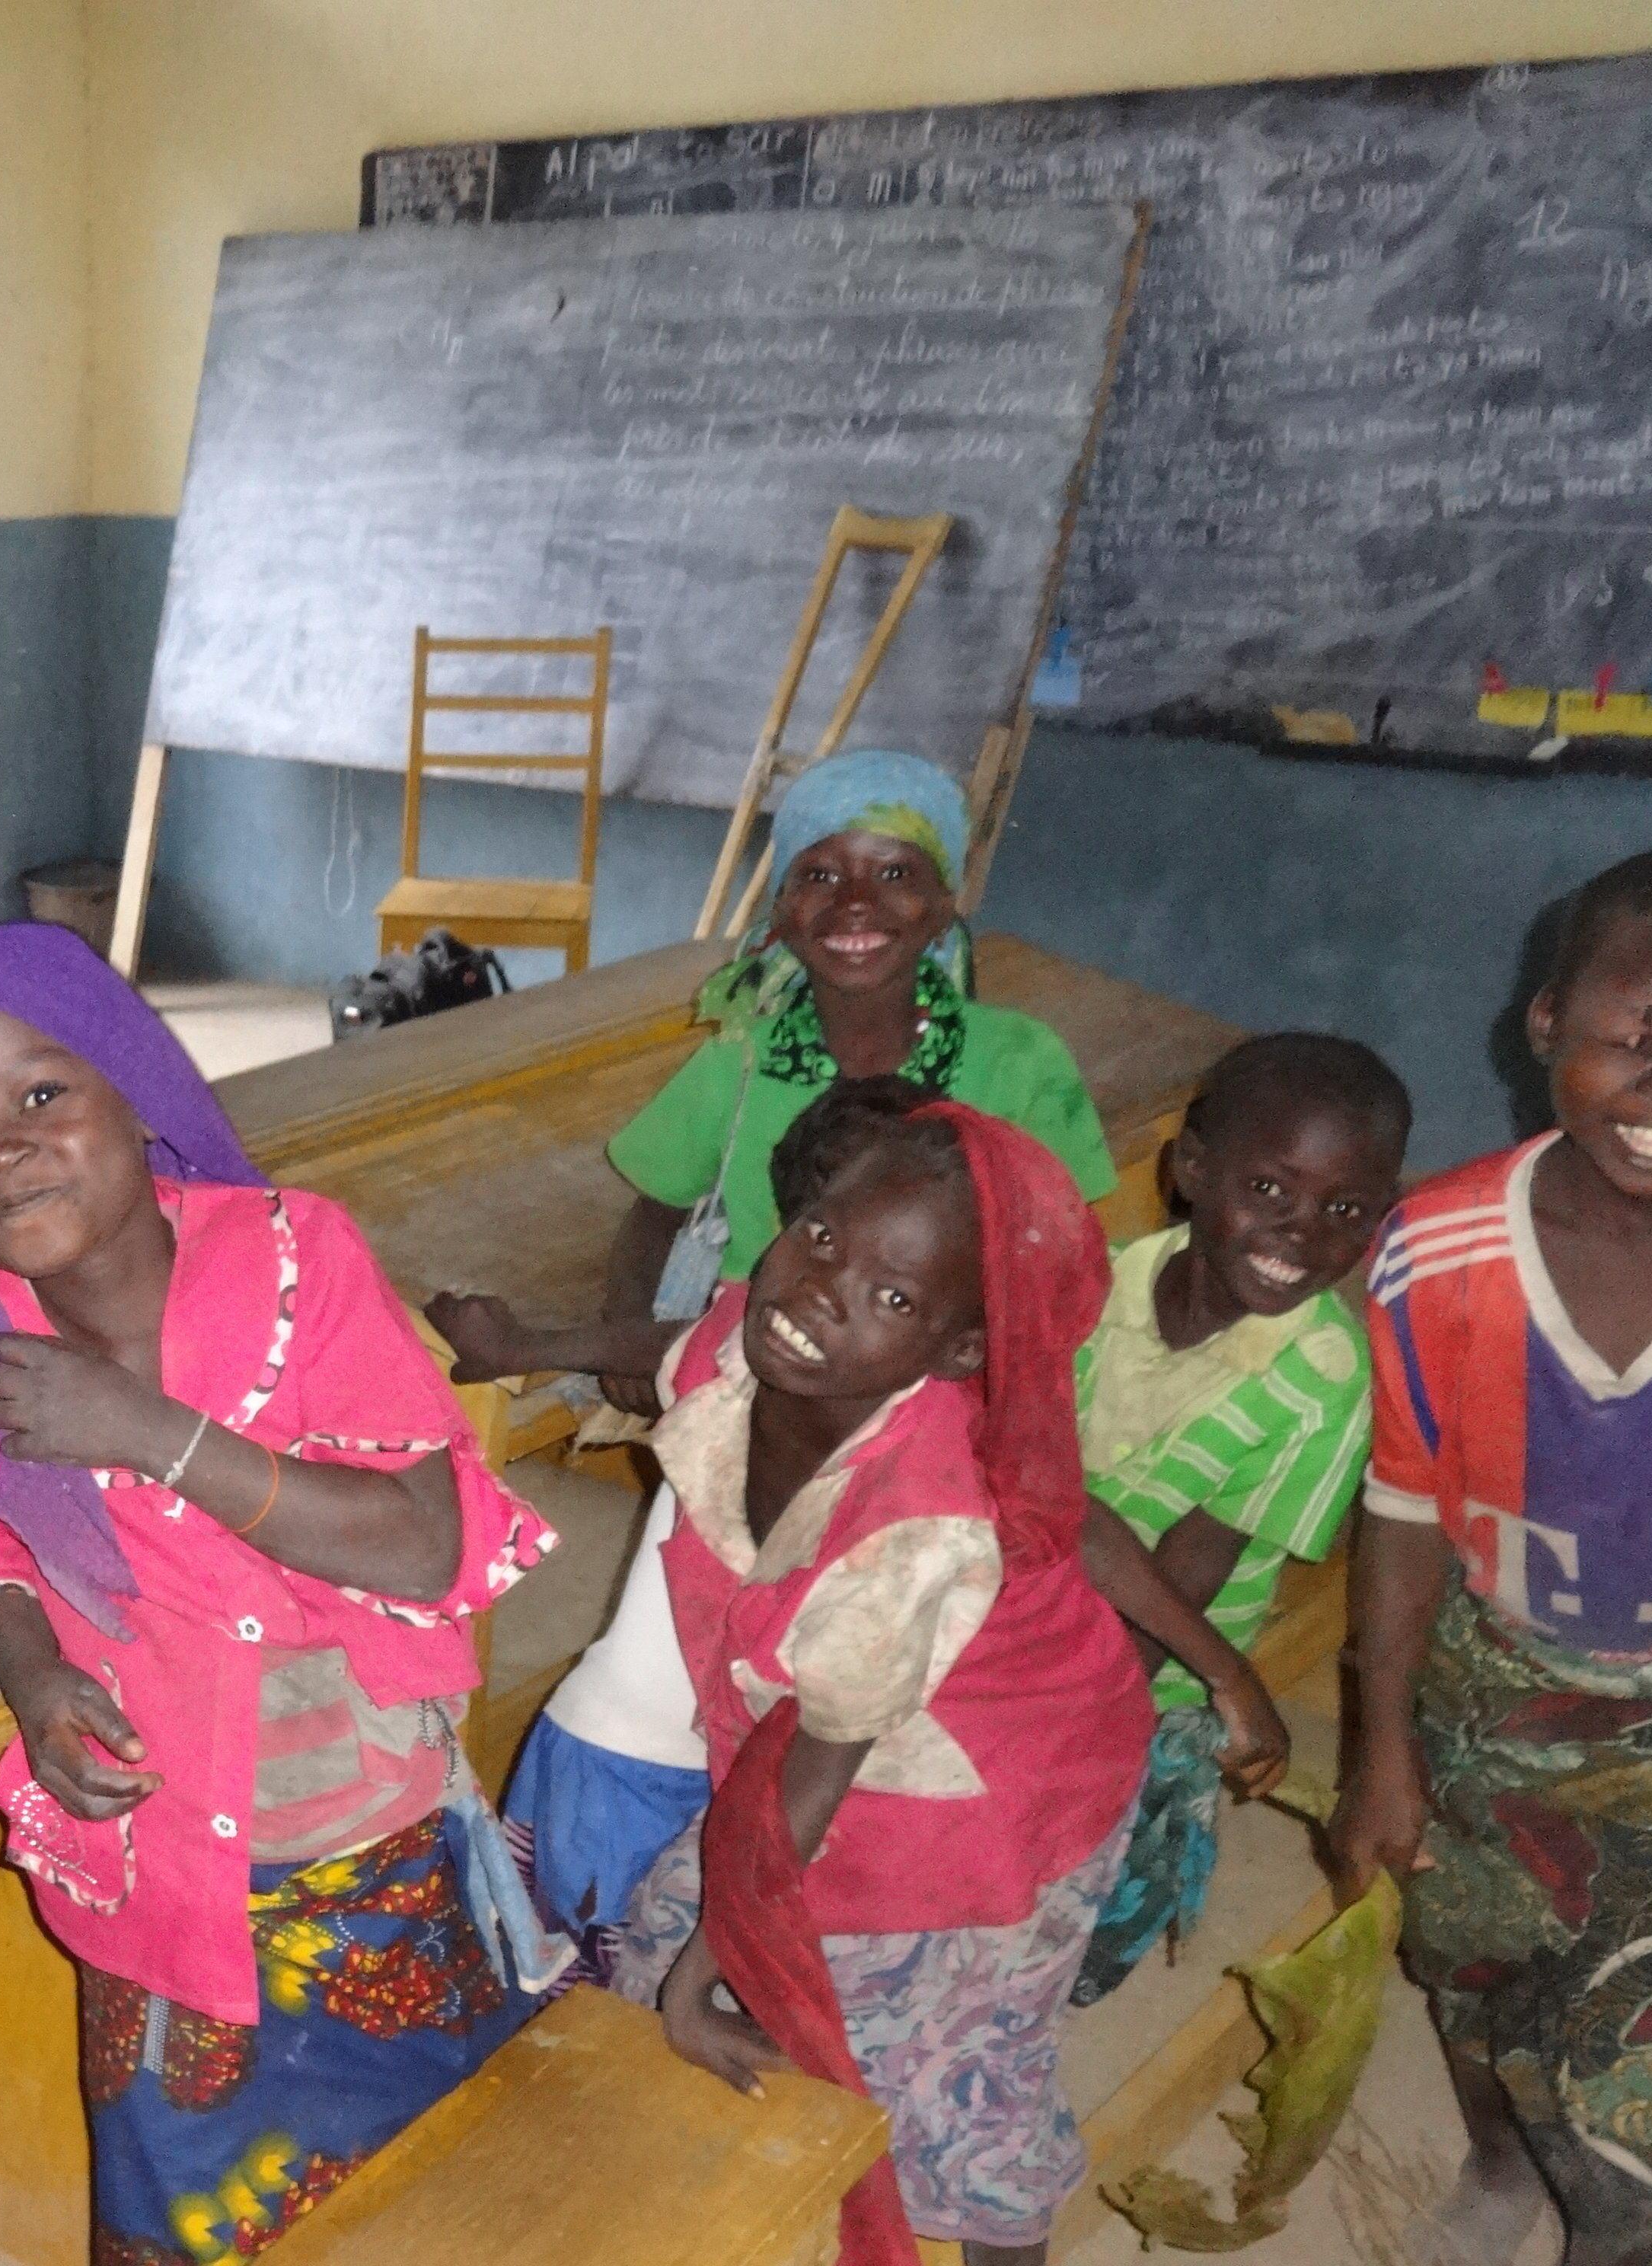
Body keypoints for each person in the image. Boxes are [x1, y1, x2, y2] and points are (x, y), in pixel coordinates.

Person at [0, 921, 557, 2263]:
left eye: (41, 1094)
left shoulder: (297, 1258)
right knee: (174, 2225)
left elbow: (418, 1543)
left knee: (425, 2204)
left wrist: (144, 1428)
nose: (0, 1152)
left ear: (133, 1086)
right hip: (164, 1892)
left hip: (370, 1857)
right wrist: (34, 1678)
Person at [433, 747, 1115, 1961]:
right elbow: (650, 1208)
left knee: (859, 1708)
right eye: (818, 874)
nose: (855, 908)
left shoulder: (1016, 1066)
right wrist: (605, 1352)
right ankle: (587, 1936)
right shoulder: (746, 1055)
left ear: (949, 896)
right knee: (637, 1695)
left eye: (896, 872)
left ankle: (781, 1910)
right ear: (778, 905)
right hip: (754, 1402)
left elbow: (1064, 1275)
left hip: (919, 1449)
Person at [612, 1081, 1152, 2266]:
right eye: (819, 1240)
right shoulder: (750, 1340)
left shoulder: (918, 1523)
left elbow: (818, 1763)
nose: (817, 1297)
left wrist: (714, 1967)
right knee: (666, 1968)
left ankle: (1005, 2242)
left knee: (953, 2070)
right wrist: (524, 1343)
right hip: (828, 1746)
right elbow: (672, 1350)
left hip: (995, 1793)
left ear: (958, 1350)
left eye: (889, 1295)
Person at [1333, 844, 1652, 2266]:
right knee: (1477, 1963)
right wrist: (1382, 1747)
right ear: (1543, 1021)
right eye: (1638, 1030)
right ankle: (1500, 2168)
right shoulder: (1432, 1253)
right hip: (1493, 1675)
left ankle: (1607, 2231)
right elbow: (1399, 1512)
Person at [1066, 1033, 1407, 2006]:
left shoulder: (1322, 1379)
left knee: (1082, 1916)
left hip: (1157, 1671)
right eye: (1268, 1190)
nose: (1299, 1233)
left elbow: (1180, 1585)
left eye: (1342, 1210)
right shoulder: (1092, 1287)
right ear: (1189, 1170)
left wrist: (1046, 1727)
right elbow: (1027, 1482)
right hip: (1007, 1595)